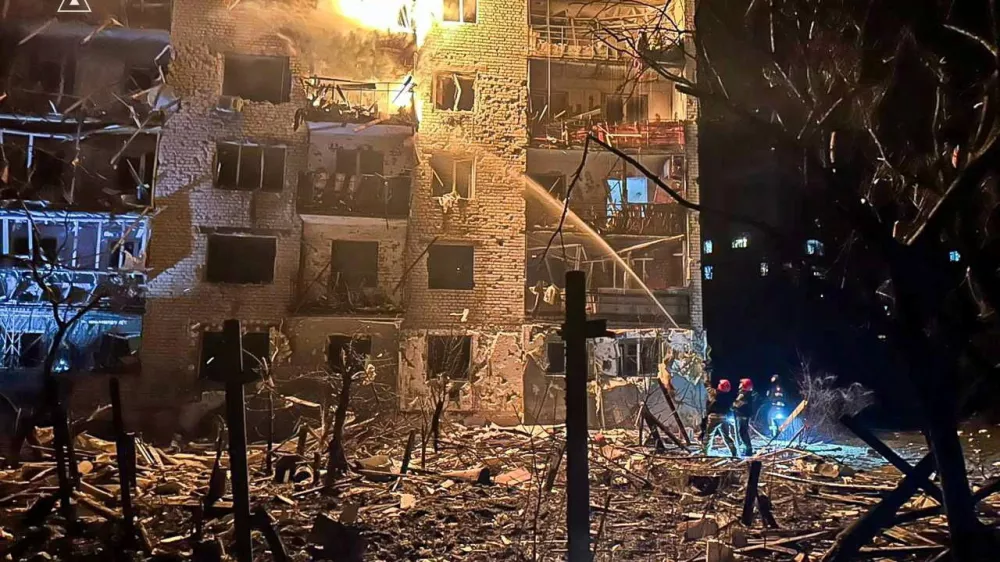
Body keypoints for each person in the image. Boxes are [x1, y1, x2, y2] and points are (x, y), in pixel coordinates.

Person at [702, 379, 738, 457]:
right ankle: (734, 452)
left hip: (713, 417)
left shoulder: (713, 393)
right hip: (724, 418)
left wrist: (705, 374)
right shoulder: (729, 396)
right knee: (726, 436)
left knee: (708, 436)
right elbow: (732, 406)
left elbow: (707, 385)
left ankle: (705, 454)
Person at [733, 378, 755, 457]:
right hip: (744, 415)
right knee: (743, 432)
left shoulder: (743, 394)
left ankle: (748, 450)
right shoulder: (748, 394)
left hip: (742, 415)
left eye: (741, 384)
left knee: (742, 433)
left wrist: (731, 404)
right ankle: (747, 449)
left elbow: (736, 404)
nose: (740, 385)